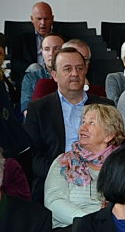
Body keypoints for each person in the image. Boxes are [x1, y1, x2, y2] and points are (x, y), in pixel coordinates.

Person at [44, 104, 125, 232]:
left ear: (110, 135)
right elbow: (53, 202)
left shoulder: (122, 165)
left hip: (113, 230)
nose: (83, 127)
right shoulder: (64, 162)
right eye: (83, 122)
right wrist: (91, 222)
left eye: (92, 123)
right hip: (69, 231)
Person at [24, 47, 114, 203]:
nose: (75, 73)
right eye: (67, 69)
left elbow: (114, 147)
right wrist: (62, 174)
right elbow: (33, 157)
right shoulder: (39, 109)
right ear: (54, 75)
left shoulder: (105, 106)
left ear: (85, 71)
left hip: (99, 180)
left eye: (79, 68)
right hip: (54, 180)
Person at [8, 2, 55, 85]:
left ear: (52, 19)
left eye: (46, 19)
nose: (43, 23)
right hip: (30, 79)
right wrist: (32, 68)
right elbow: (15, 63)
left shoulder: (61, 40)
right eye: (39, 19)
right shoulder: (20, 40)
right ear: (32, 19)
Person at [20, 33, 63, 113]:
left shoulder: (72, 75)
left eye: (57, 49)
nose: (51, 53)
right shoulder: (31, 77)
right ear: (42, 52)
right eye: (47, 49)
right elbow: (27, 111)